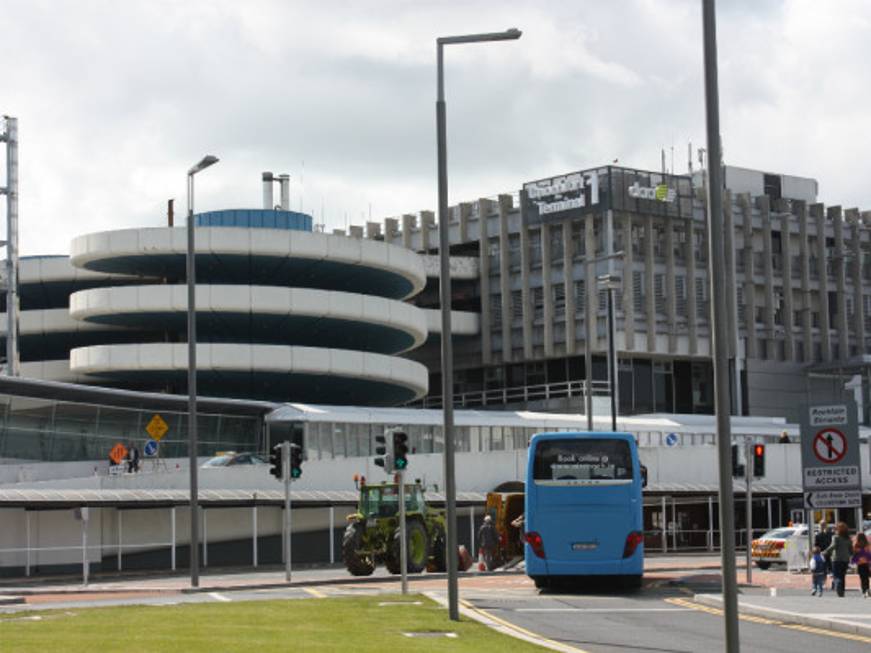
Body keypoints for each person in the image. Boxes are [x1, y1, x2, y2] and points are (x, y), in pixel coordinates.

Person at [822, 521, 853, 597]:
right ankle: (842, 591)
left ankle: (838, 587)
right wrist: (852, 555)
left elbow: (833, 546)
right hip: (845, 559)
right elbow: (851, 550)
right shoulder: (848, 539)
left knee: (837, 575)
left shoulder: (835, 537)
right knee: (842, 575)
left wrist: (825, 552)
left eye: (836, 528)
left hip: (836, 559)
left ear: (838, 530)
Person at [852, 531, 871, 598]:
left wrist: (854, 562)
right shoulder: (867, 544)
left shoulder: (856, 545)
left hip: (860, 564)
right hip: (866, 563)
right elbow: (869, 553)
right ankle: (868, 590)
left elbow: (854, 553)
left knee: (862, 578)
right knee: (866, 578)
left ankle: (864, 591)